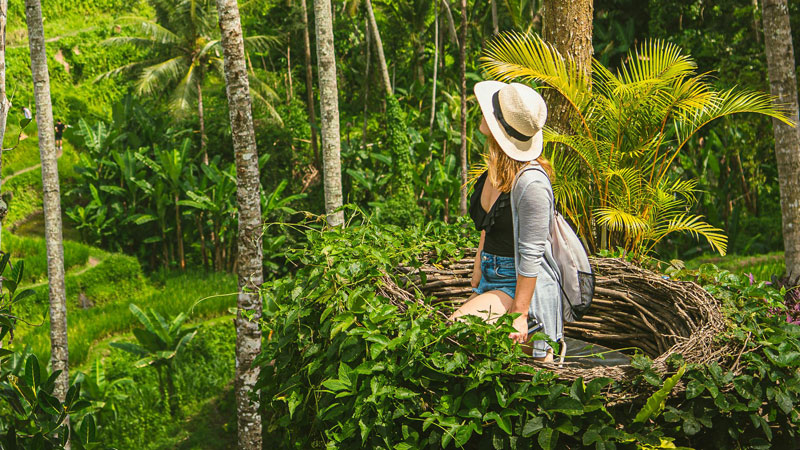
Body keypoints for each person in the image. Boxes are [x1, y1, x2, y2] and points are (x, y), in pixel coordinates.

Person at [450, 81, 562, 362]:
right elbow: (492, 225)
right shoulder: (497, 167)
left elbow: (532, 253)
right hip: (492, 278)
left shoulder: (533, 182)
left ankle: (545, 351)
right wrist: (479, 263)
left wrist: (519, 315)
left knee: (455, 332)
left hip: (518, 286)